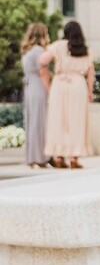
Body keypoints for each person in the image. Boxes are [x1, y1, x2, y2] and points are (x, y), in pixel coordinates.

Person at [39, 20, 92, 169]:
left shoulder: (58, 46)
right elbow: (90, 72)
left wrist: (47, 80)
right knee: (77, 121)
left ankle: (58, 156)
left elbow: (42, 62)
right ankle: (74, 158)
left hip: (60, 84)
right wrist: (89, 91)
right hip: (78, 85)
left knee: (58, 120)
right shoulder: (85, 49)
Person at [20, 23, 51, 168]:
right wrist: (49, 90)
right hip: (38, 85)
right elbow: (42, 72)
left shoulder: (27, 51)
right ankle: (40, 157)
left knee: (32, 121)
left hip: (29, 86)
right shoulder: (39, 51)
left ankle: (32, 157)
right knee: (40, 121)